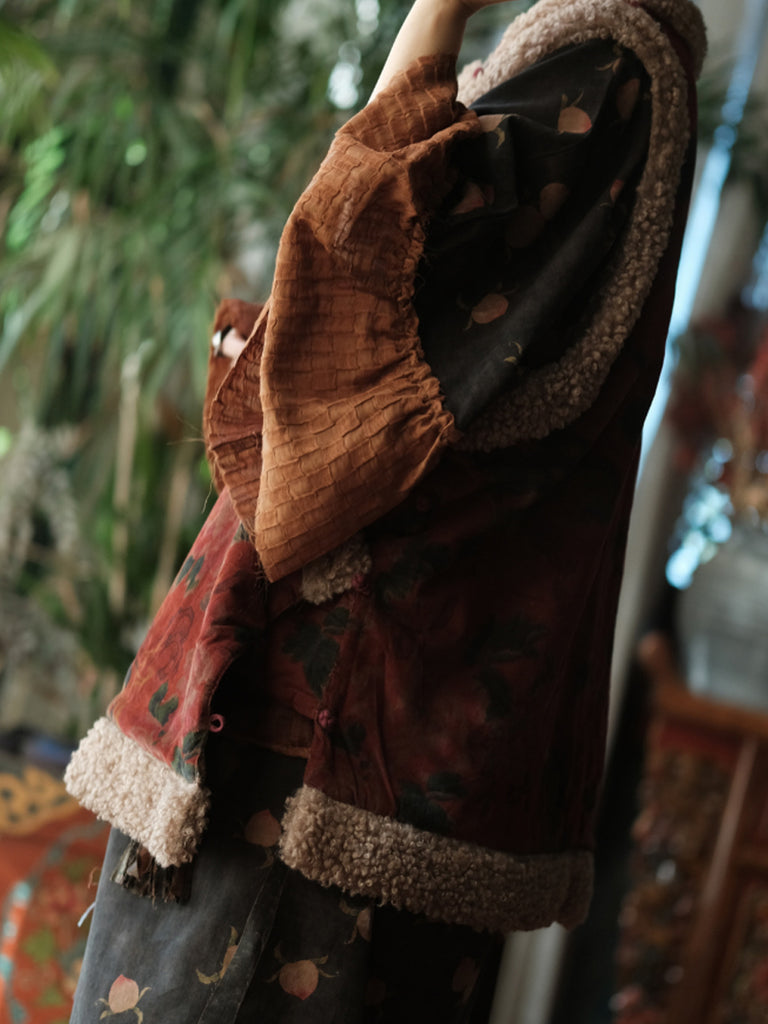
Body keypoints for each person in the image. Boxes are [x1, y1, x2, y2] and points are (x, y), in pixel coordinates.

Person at [65, 0, 706, 1020]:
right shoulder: (598, 63)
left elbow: (351, 295)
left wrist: (437, 9)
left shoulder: (604, 63)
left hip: (322, 745)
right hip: (340, 727)